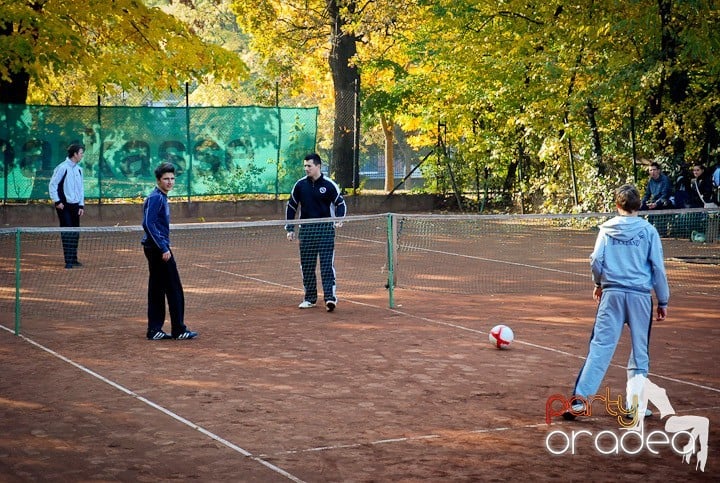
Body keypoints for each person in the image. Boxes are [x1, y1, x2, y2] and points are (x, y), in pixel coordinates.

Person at [563, 184, 669, 420]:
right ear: (638, 205)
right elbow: (658, 269)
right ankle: (635, 407)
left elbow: (596, 260)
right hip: (640, 297)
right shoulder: (649, 231)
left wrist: (598, 283)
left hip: (612, 295)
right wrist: (663, 300)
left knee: (600, 349)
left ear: (617, 205)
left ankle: (579, 404)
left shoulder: (606, 229)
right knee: (640, 351)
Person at [141, 162, 197, 340]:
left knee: (157, 289)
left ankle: (154, 330)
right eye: (166, 179)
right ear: (158, 180)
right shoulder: (156, 197)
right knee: (174, 289)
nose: (170, 182)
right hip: (157, 249)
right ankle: (179, 329)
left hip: (155, 247)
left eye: (172, 178)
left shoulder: (161, 196)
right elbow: (148, 224)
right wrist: (163, 248)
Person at [285, 153, 346, 312]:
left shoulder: (329, 184)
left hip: (325, 230)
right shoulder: (299, 185)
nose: (306, 169)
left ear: (318, 166)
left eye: (309, 166)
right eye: (305, 166)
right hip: (306, 231)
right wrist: (290, 228)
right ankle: (310, 298)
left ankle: (330, 298)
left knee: (326, 265)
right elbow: (291, 206)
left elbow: (340, 204)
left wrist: (339, 219)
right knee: (307, 266)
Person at [48, 143, 85, 269]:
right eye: (81, 153)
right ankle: (68, 260)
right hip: (64, 206)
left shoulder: (79, 169)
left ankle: (74, 259)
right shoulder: (62, 168)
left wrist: (81, 205)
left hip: (75, 207)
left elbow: (81, 189)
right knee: (67, 231)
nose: (82, 155)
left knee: (75, 232)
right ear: (74, 154)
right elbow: (53, 185)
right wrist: (57, 201)